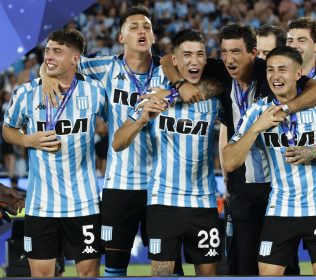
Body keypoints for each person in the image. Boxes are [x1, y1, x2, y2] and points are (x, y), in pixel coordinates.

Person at [160, 22, 316, 276]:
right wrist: (178, 84)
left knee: (284, 266)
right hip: (242, 187)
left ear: (253, 53)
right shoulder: (219, 72)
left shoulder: (269, 73)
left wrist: (285, 109)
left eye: (236, 52)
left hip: (278, 188)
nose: (229, 59)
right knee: (242, 264)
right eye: (225, 52)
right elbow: (166, 58)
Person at [41, 6, 184, 276]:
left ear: (153, 36)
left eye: (146, 27)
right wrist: (46, 73)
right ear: (121, 38)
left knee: (166, 271)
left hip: (163, 188)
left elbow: (206, 79)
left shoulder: (171, 72)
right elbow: (62, 60)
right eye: (134, 27)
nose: (141, 31)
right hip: (120, 185)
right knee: (114, 270)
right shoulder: (105, 67)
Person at [223, 46, 316, 276]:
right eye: (270, 70)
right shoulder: (257, 111)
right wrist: (257, 127)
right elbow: (229, 162)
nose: (275, 76)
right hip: (280, 209)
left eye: (282, 70)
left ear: (298, 74)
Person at [113, 28, 223, 276]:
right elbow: (118, 142)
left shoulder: (214, 94)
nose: (194, 61)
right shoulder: (154, 93)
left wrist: (174, 93)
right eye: (186, 55)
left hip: (203, 204)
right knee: (162, 276)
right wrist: (141, 119)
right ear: (174, 59)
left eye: (200, 55)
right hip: (163, 204)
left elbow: (218, 90)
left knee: (210, 276)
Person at [3, 28, 105, 277]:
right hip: (41, 206)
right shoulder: (27, 93)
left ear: (75, 58)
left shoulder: (95, 91)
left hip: (84, 204)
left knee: (89, 275)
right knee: (42, 277)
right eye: (48, 50)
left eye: (57, 51)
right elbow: (7, 130)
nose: (48, 56)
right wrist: (29, 139)